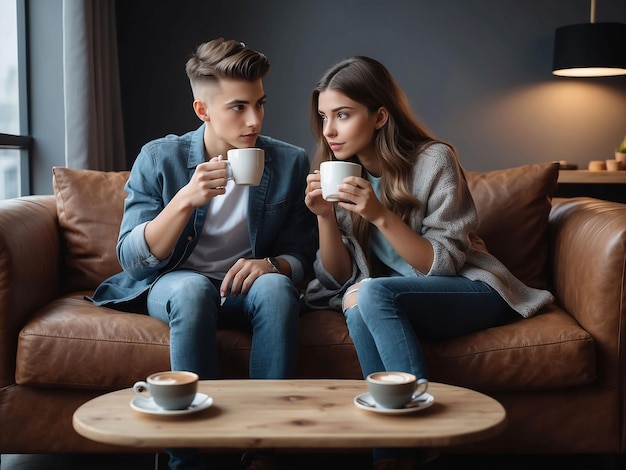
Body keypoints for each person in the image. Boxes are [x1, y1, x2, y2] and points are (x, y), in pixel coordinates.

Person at [304, 56, 554, 470]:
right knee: (356, 298)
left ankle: (417, 438)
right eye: (324, 117)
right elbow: (337, 279)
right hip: (393, 301)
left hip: (470, 290)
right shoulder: (340, 174)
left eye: (343, 115)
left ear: (380, 115)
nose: (329, 130)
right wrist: (324, 218)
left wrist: (379, 214)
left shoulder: (433, 160)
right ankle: (393, 455)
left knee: (371, 294)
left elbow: (444, 264)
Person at [90, 38, 316, 470]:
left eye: (260, 104)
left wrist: (272, 264)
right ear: (203, 110)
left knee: (275, 288)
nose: (254, 120)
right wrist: (184, 200)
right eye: (238, 107)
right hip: (175, 284)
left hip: (245, 289)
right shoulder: (159, 158)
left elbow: (303, 253)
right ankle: (190, 457)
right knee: (192, 289)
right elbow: (132, 259)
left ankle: (264, 450)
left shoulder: (288, 162)